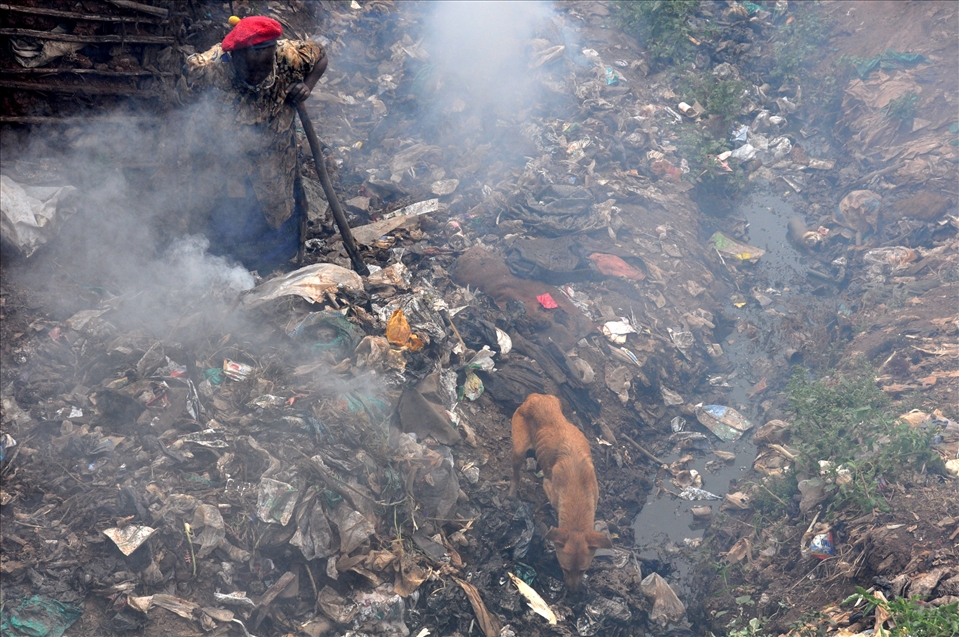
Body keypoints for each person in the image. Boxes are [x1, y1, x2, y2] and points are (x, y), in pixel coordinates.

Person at [178, 16, 327, 272]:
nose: (257, 76)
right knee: (225, 208)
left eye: (263, 69)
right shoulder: (205, 67)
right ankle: (224, 263)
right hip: (226, 153)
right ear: (234, 58)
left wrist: (307, 86)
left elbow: (321, 56)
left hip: (274, 150)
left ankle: (273, 266)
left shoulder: (288, 55)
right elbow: (184, 100)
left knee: (275, 205)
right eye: (250, 70)